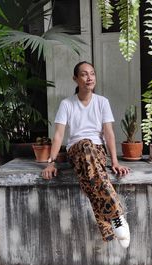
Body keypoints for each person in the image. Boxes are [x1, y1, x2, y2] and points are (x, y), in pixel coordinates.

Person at [42, 61, 130, 248]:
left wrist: (115, 161)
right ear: (75, 78)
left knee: (89, 177)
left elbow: (108, 133)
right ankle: (117, 216)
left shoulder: (102, 102)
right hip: (76, 151)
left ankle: (108, 226)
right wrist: (51, 162)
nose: (89, 77)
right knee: (84, 145)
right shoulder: (67, 104)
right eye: (84, 74)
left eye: (92, 73)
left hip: (97, 152)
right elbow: (58, 135)